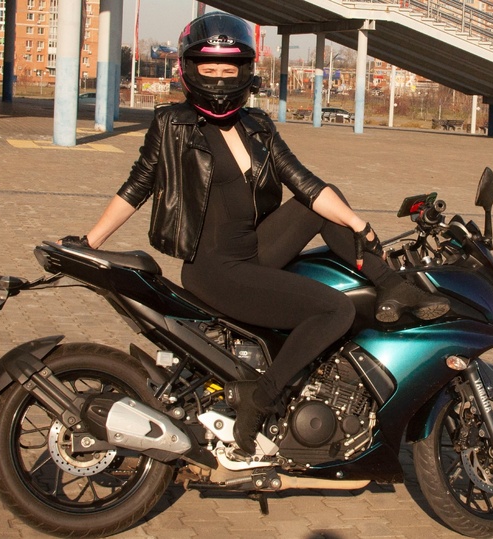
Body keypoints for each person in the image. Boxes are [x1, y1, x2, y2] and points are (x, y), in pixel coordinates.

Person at [61, 12, 450, 456]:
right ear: (190, 70)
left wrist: (358, 224)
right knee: (335, 310)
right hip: (215, 268)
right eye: (209, 69)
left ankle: (391, 286)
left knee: (328, 202)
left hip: (255, 251)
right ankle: (261, 400)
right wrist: (91, 242)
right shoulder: (172, 124)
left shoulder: (257, 126)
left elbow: (304, 183)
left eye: (229, 70)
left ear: (245, 72)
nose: (219, 79)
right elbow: (137, 186)